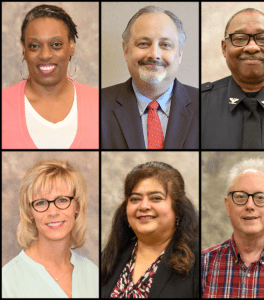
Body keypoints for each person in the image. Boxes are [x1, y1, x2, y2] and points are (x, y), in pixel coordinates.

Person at [2, 4, 99, 149]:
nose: (45, 55)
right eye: (34, 46)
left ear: (71, 46)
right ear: (24, 48)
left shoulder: (100, 103)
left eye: (56, 44)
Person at [102, 6, 199, 149]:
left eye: (165, 45)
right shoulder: (98, 105)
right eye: (143, 44)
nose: (154, 54)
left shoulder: (207, 105)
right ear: (126, 50)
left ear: (179, 54)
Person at [202, 8, 264, 149]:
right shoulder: (198, 105)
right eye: (240, 39)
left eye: (263, 38)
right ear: (224, 48)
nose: (252, 47)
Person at [201, 158, 264, 298]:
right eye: (240, 197)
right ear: (228, 206)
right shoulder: (202, 265)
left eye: (260, 197)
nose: (250, 205)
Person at [2, 160, 99, 298]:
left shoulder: (92, 273)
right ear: (30, 212)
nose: (53, 212)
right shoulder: (7, 281)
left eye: (62, 200)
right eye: (41, 202)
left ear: (77, 206)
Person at [101, 161, 199, 298]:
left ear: (177, 209)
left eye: (156, 198)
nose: (144, 206)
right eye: (135, 199)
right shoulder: (109, 260)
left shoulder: (200, 262)